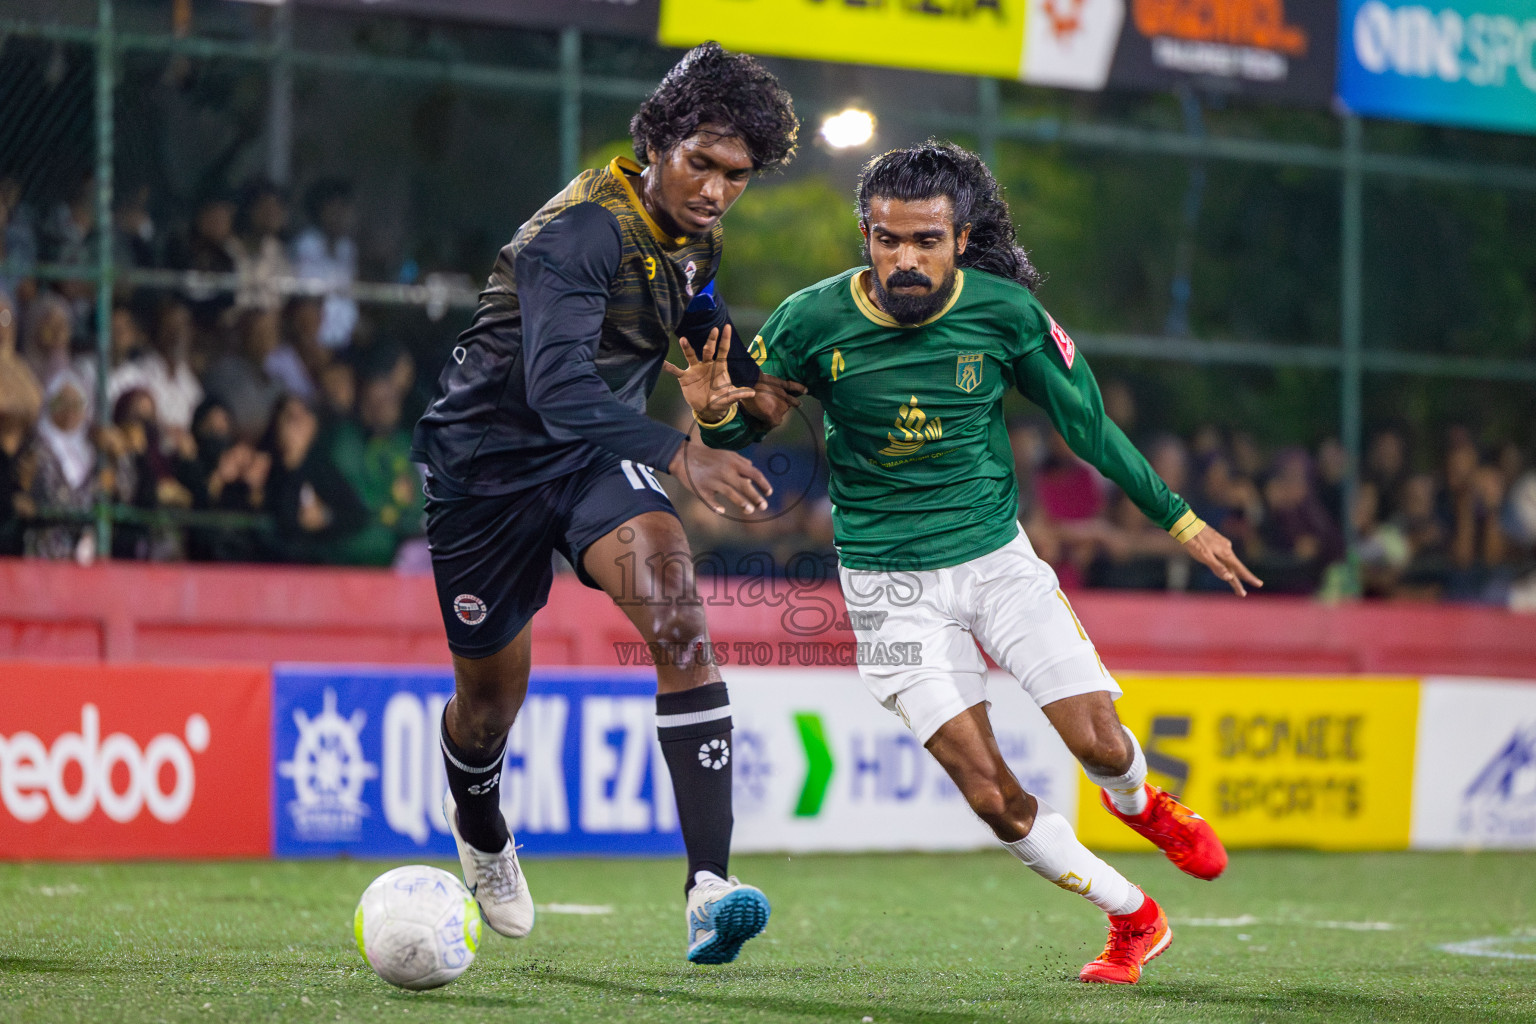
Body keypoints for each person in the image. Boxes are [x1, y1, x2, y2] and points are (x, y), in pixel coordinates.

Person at [688, 141, 1260, 985]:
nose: (905, 259)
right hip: (887, 590)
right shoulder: (811, 320)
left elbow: (1089, 428)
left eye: (926, 240)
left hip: (996, 564)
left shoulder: (1006, 314)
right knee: (992, 796)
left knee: (1098, 745)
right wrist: (714, 419)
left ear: (961, 238)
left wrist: (1182, 522)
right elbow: (758, 418)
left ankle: (1141, 801)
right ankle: (1133, 918)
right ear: (865, 236)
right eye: (888, 240)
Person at [410, 41, 802, 965]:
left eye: (735, 176)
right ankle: (480, 822)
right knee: (489, 702)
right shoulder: (581, 233)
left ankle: (710, 886)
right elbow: (553, 388)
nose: (715, 190)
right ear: (658, 142)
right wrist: (682, 454)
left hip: (588, 462)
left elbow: (696, 309)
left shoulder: (693, 231)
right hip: (483, 477)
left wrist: (752, 386)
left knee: (678, 617)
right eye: (700, 163)